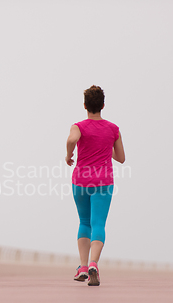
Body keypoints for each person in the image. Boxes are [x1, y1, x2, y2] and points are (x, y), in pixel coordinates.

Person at [65, 85, 125, 286]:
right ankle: (93, 264)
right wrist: (107, 152)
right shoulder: (113, 129)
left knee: (84, 222)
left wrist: (69, 154)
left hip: (80, 180)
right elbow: (122, 158)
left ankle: (82, 266)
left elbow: (72, 139)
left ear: (85, 106)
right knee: (98, 223)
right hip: (103, 182)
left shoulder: (78, 126)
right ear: (103, 105)